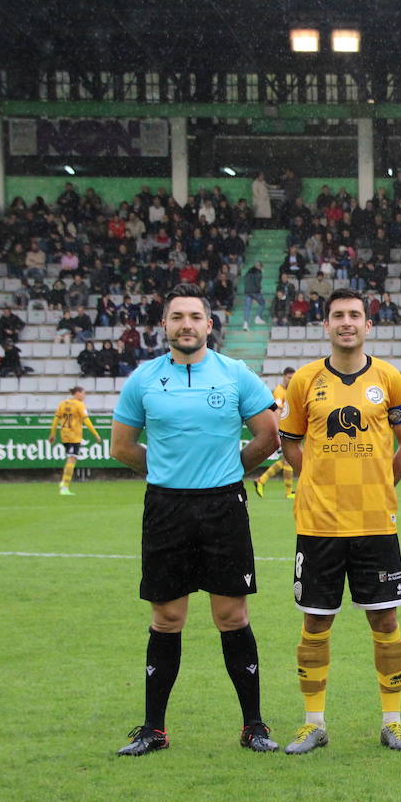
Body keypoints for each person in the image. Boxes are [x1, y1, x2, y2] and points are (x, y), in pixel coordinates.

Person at [109, 284, 281, 756]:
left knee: (232, 615)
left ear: (209, 325)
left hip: (224, 505)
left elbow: (269, 436)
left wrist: (228, 471)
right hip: (166, 507)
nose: (186, 324)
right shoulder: (143, 379)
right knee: (167, 618)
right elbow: (121, 446)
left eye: (195, 317)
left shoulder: (235, 374)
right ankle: (153, 729)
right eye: (177, 317)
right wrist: (169, 474)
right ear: (164, 325)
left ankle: (254, 727)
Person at [276, 290, 401, 754]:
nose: (346, 322)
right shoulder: (304, 380)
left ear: (368, 325)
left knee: (385, 618)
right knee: (315, 623)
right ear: (326, 325)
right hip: (318, 525)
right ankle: (313, 723)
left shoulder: (389, 378)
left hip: (375, 523)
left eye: (355, 315)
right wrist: (316, 481)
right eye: (338, 315)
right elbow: (290, 442)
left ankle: (392, 721)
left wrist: (381, 485)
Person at [253, 367, 297, 499]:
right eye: (289, 378)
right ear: (284, 377)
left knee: (285, 460)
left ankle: (261, 480)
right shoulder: (279, 391)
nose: (291, 380)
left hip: (288, 428)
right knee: (288, 461)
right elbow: (277, 411)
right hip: (282, 429)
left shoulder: (289, 391)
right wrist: (279, 431)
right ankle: (289, 492)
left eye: (292, 378)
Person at [49, 385, 101, 495]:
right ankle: (64, 487)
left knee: (70, 458)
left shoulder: (62, 404)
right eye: (83, 393)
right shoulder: (79, 405)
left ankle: (63, 481)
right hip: (74, 436)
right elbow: (86, 421)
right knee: (72, 459)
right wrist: (95, 434)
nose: (84, 395)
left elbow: (55, 419)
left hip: (64, 436)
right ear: (77, 393)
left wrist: (52, 434)